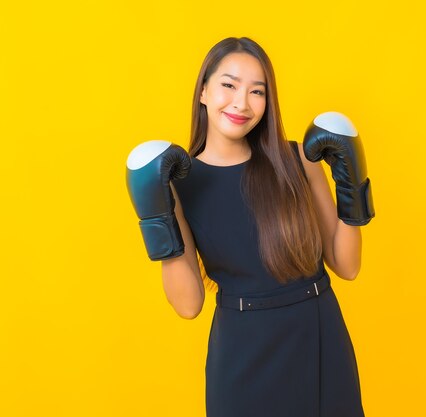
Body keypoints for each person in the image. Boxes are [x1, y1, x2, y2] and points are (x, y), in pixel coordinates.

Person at [126, 36, 374, 417]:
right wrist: (155, 217)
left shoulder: (296, 160)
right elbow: (189, 304)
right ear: (204, 91)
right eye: (229, 85)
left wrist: (352, 189)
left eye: (257, 91)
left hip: (319, 338)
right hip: (242, 354)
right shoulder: (176, 183)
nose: (241, 103)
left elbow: (347, 265)